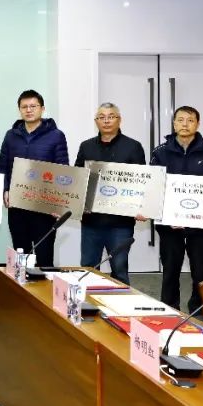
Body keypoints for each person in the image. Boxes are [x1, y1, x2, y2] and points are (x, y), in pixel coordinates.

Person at [150, 105, 203, 313]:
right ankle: (169, 309)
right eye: (180, 120)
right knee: (170, 270)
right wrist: (167, 216)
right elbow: (155, 187)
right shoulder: (160, 152)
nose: (185, 124)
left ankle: (200, 311)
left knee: (200, 272)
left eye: (190, 120)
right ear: (174, 123)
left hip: (202, 226)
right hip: (170, 225)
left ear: (198, 124)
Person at [73, 103, 146, 285]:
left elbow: (142, 181)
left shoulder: (133, 147)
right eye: (101, 117)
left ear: (119, 120)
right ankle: (87, 302)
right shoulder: (86, 146)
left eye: (111, 116)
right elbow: (78, 178)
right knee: (88, 269)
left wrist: (142, 207)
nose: (106, 120)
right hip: (91, 221)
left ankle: (121, 303)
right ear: (96, 121)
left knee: (119, 270)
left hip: (120, 223)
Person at [0, 89, 69, 267]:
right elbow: (2, 166)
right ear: (19, 110)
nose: (28, 110)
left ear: (42, 109)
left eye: (33, 106)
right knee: (21, 254)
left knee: (44, 255)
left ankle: (44, 285)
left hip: (45, 207)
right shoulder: (11, 135)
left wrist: (59, 203)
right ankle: (23, 284)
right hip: (17, 205)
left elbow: (63, 171)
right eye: (24, 107)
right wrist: (5, 189)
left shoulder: (56, 135)